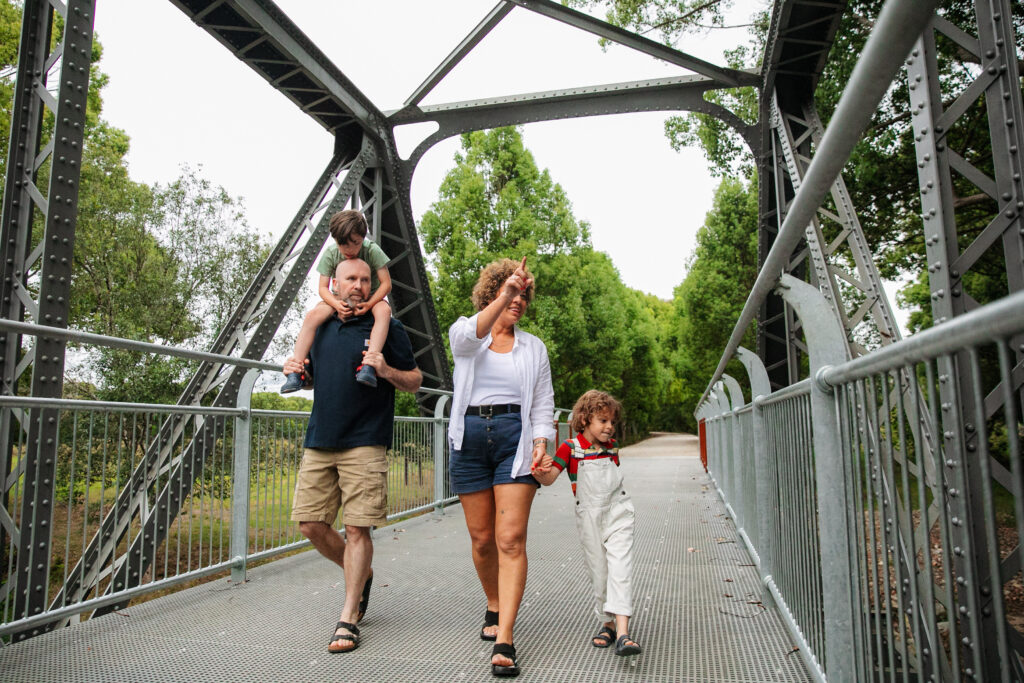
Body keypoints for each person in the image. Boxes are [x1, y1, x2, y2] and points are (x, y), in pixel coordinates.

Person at [283, 257, 422, 654]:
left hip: (365, 439)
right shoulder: (320, 325)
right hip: (321, 438)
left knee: (359, 528)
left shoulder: (387, 327)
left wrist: (385, 370)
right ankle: (361, 574)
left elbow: (415, 381)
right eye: (351, 279)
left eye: (365, 279)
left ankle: (348, 617)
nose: (358, 285)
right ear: (335, 284)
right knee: (310, 523)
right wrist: (296, 368)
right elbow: (309, 375)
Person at [448, 256, 555, 677]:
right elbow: (465, 340)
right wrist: (506, 291)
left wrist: (541, 442)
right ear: (492, 292)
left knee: (509, 539)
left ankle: (506, 636)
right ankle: (492, 602)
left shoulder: (534, 347)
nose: (519, 300)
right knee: (481, 540)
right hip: (470, 439)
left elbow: (543, 402)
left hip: (515, 438)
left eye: (524, 295)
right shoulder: (466, 332)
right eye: (512, 292)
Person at [532, 390, 643, 657]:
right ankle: (607, 625)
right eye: (603, 421)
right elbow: (549, 480)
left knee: (620, 568)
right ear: (584, 420)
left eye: (612, 422)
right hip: (590, 517)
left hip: (619, 512)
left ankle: (624, 632)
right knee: (599, 572)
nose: (609, 427)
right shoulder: (570, 448)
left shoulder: (612, 446)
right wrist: (539, 473)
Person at [281, 209, 392, 393]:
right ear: (335, 240)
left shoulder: (372, 251)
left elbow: (386, 284)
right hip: (338, 298)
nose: (348, 249)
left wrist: (370, 304)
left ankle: (369, 365)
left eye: (354, 243)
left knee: (384, 312)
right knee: (313, 315)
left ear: (363, 238)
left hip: (368, 297)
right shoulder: (331, 253)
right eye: (342, 244)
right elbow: (323, 288)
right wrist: (335, 304)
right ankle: (296, 370)